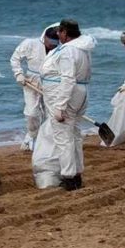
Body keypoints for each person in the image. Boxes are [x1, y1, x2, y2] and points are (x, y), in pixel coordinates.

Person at [32, 20, 95, 191]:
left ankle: (68, 176)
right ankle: (77, 173)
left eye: (60, 32)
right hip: (80, 93)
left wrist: (59, 106)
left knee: (63, 137)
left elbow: (67, 79)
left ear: (66, 32)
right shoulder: (82, 49)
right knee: (74, 134)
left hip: (67, 96)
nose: (58, 35)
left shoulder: (68, 51)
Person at [10, 24, 60, 151]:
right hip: (31, 82)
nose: (51, 46)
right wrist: (19, 74)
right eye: (50, 43)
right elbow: (15, 58)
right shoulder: (30, 44)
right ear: (45, 38)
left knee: (51, 114)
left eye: (54, 44)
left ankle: (47, 141)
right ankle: (31, 136)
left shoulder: (61, 49)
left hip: (52, 83)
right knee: (32, 113)